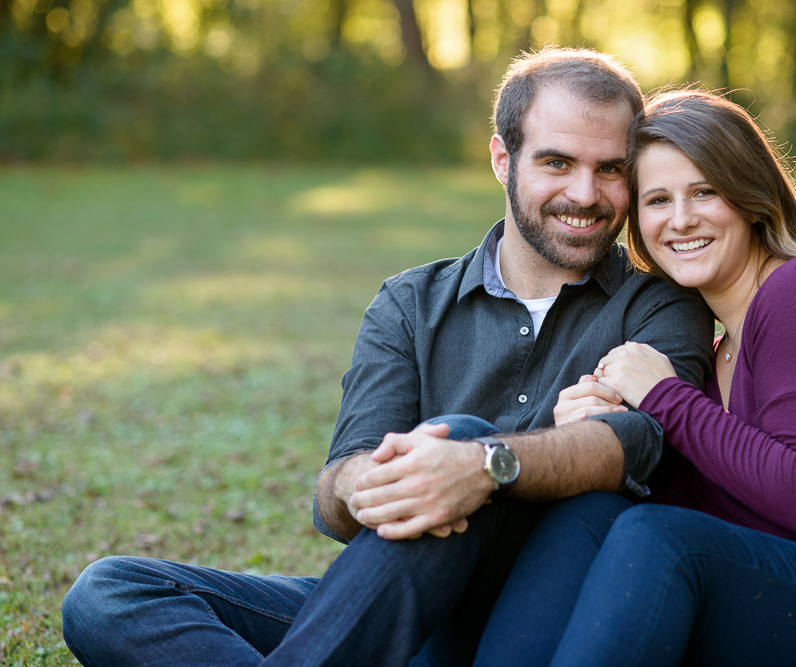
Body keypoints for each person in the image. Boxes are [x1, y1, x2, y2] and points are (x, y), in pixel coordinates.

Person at [60, 50, 715, 666]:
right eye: (556, 163)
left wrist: (483, 464)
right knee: (110, 594)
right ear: (501, 157)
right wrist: (373, 482)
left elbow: (643, 440)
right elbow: (336, 493)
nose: (586, 193)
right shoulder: (411, 302)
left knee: (459, 437)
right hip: (392, 609)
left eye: (610, 169)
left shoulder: (658, 302)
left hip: (543, 622)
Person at [479, 89, 796, 666]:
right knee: (593, 518)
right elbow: (716, 507)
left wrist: (663, 398)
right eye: (657, 200)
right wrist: (607, 426)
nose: (681, 219)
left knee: (662, 541)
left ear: (751, 196)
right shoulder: (717, 349)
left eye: (704, 191)